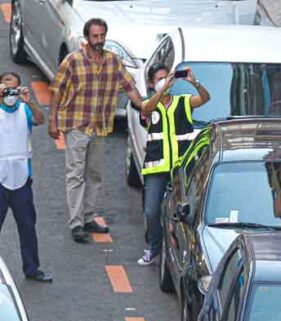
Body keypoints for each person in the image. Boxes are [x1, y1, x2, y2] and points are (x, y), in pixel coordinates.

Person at [47, 18, 144, 243]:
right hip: (77, 126)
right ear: (87, 38)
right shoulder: (73, 61)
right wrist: (53, 121)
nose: (98, 40)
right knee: (75, 176)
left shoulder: (113, 62)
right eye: (94, 36)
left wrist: (146, 106)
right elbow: (57, 92)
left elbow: (130, 88)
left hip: (100, 128)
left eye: (102, 36)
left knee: (95, 175)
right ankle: (76, 223)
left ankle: (89, 216)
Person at [137, 64, 210, 265]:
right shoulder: (149, 106)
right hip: (156, 167)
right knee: (151, 211)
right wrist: (160, 93)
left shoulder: (182, 102)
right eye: (159, 79)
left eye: (167, 78)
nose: (165, 82)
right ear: (152, 84)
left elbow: (205, 99)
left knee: (183, 213)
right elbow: (146, 109)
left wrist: (195, 83)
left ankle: (182, 252)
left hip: (181, 170)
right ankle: (154, 246)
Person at [0, 72, 50, 283]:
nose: (11, 94)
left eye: (14, 89)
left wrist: (30, 103)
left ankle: (32, 268)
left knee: (28, 226)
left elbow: (40, 120)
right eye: (6, 90)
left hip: (22, 179)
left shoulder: (24, 110)